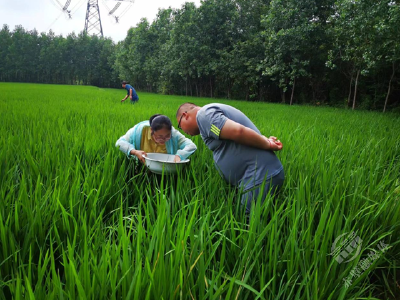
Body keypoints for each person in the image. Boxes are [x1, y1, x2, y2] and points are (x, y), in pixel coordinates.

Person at [176, 102, 284, 214]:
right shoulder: (208, 118)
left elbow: (238, 132)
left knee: (249, 224)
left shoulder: (203, 116)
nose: (183, 131)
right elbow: (234, 132)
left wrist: (268, 144)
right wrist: (264, 140)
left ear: (185, 115)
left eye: (180, 125)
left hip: (260, 176)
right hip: (259, 177)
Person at [116, 114, 197, 164]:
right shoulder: (139, 130)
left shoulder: (174, 133)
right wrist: (134, 152)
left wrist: (179, 155)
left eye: (167, 136)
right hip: (142, 167)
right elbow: (119, 143)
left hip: (165, 170)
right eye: (160, 137)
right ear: (152, 130)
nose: (164, 139)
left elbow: (191, 145)